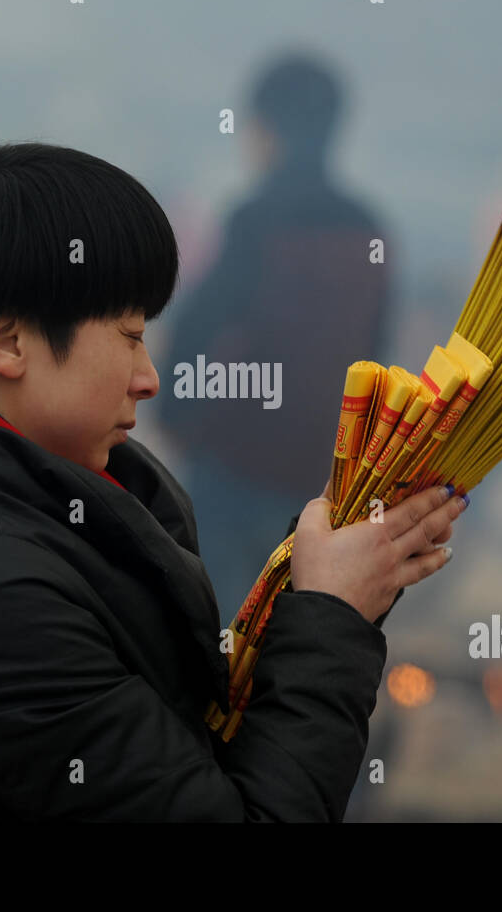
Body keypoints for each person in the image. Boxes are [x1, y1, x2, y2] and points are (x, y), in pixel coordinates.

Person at [0, 142, 466, 821]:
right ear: (7, 342)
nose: (149, 376)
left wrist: (332, 584)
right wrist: (333, 618)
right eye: (127, 335)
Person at [158, 51, 393, 624]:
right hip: (318, 479)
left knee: (211, 630)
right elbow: (376, 355)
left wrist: (178, 418)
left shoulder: (257, 219)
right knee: (285, 634)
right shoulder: (368, 229)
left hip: (233, 463)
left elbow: (199, 328)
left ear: (264, 127)